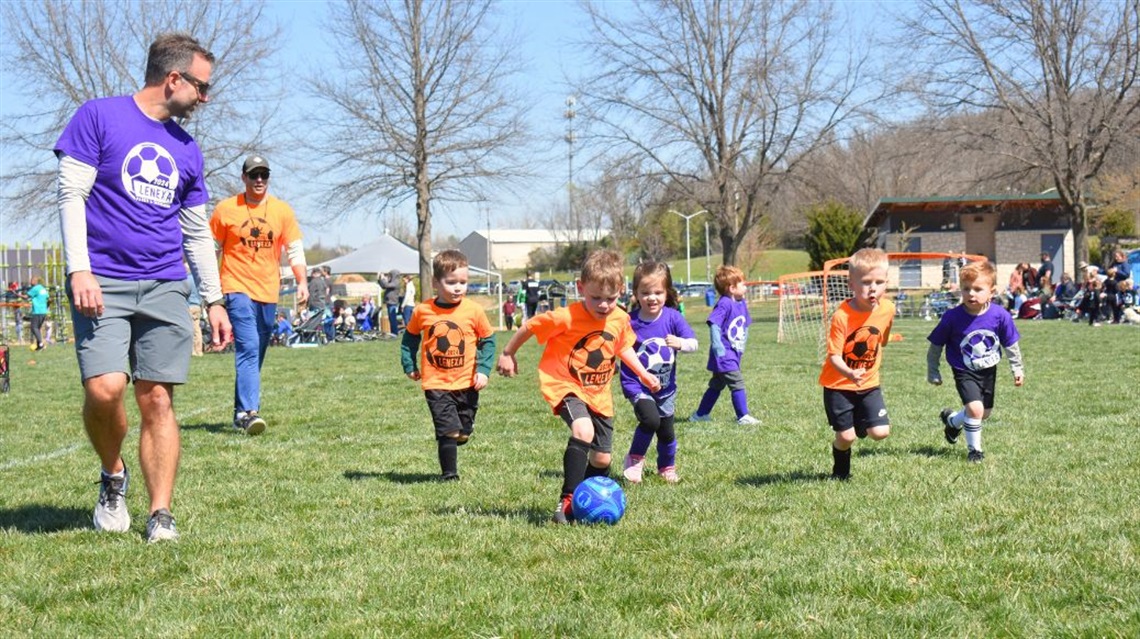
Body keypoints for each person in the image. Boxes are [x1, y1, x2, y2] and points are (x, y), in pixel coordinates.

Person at [54, 33, 232, 542]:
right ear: (173, 79)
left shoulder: (187, 149)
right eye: (201, 87)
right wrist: (79, 270)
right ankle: (113, 475)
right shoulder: (98, 117)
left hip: (165, 284)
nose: (205, 98)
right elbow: (71, 195)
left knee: (157, 400)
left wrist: (213, 298)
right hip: (103, 280)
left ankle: (160, 514)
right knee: (105, 388)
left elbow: (196, 231)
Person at [497, 249, 660, 524]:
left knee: (602, 459)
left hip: (599, 393)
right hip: (564, 384)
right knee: (582, 429)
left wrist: (643, 373)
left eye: (611, 298)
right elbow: (530, 327)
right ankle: (568, 499)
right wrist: (507, 353)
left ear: (621, 291)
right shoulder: (566, 317)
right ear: (580, 288)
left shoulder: (620, 318)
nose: (604, 305)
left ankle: (590, 502)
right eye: (596, 298)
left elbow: (622, 347)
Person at [211, 154, 309, 434]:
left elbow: (294, 249)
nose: (259, 180)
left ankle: (239, 408)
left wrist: (302, 281)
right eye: (253, 175)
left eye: (264, 175)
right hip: (235, 286)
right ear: (243, 177)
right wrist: (209, 290)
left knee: (258, 349)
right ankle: (248, 412)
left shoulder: (282, 211)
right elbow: (210, 248)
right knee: (249, 346)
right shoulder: (225, 210)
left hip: (268, 290)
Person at [400, 250, 496, 481]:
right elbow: (410, 338)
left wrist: (483, 370)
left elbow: (489, 340)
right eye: (451, 282)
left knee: (462, 432)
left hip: (467, 382)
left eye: (463, 282)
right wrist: (409, 364)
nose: (457, 288)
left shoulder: (474, 310)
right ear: (435, 282)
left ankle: (459, 436)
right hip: (436, 382)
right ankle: (449, 475)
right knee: (448, 431)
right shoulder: (423, 311)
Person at [927, 261, 1024, 464]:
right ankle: (975, 451)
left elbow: (1011, 344)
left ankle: (952, 421)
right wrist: (933, 371)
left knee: (984, 413)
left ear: (992, 291)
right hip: (963, 369)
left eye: (978, 289)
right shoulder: (952, 317)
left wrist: (1017, 368)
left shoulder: (1000, 315)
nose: (971, 294)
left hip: (988, 370)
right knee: (976, 410)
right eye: (966, 289)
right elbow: (936, 345)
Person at [818, 249, 895, 480]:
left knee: (881, 432)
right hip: (839, 385)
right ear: (851, 284)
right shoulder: (842, 316)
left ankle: (862, 420)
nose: (873, 288)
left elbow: (884, 334)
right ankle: (840, 472)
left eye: (879, 282)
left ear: (886, 283)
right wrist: (850, 373)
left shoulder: (888, 308)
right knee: (846, 438)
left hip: (869, 384)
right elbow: (834, 356)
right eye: (866, 282)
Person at [619, 262, 697, 484]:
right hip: (637, 384)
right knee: (650, 420)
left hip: (665, 388)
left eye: (658, 292)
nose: (651, 298)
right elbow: (617, 346)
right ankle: (635, 460)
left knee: (666, 432)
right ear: (635, 294)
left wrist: (680, 343)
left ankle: (666, 467)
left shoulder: (672, 318)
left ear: (667, 293)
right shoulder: (629, 321)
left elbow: (694, 343)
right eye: (645, 293)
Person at [689, 265, 760, 425]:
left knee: (716, 385)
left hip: (734, 352)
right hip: (723, 354)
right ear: (731, 288)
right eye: (742, 283)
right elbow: (714, 324)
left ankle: (700, 414)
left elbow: (745, 324)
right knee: (737, 382)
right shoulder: (725, 303)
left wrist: (743, 344)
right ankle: (743, 416)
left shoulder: (741, 304)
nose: (745, 285)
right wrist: (717, 346)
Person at [185, 262, 204, 356]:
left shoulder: (187, 279)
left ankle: (192, 350)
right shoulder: (197, 280)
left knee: (190, 328)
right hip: (197, 306)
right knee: (197, 329)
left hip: (188, 306)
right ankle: (199, 350)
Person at [26, 276, 49, 351]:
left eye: (31, 280)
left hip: (37, 311)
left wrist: (15, 294)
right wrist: (46, 307)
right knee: (37, 328)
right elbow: (48, 298)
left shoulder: (35, 288)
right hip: (43, 311)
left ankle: (41, 344)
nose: (30, 282)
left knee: (34, 328)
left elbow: (26, 296)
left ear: (34, 281)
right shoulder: (42, 288)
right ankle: (39, 346)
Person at [380, 270, 402, 336]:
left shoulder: (396, 282)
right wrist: (380, 280)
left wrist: (383, 278)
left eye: (390, 275)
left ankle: (395, 333)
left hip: (392, 302)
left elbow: (386, 285)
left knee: (393, 319)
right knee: (391, 318)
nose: (389, 276)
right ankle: (393, 333)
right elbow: (383, 286)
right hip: (390, 302)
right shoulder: (392, 282)